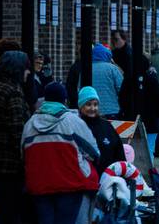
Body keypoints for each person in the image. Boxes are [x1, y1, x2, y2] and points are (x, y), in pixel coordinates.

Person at [23, 82, 101, 224]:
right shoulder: (72, 121)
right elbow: (94, 153)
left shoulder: (29, 124)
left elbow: (23, 155)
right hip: (69, 185)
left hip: (39, 186)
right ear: (64, 100)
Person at [0, 50, 31, 224]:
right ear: (17, 69)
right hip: (12, 165)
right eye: (26, 68)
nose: (28, 72)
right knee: (12, 210)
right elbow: (17, 130)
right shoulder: (13, 92)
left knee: (2, 207)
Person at [77, 86, 125, 170]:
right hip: (87, 177)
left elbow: (119, 151)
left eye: (95, 104)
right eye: (88, 104)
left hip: (110, 177)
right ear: (81, 107)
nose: (92, 108)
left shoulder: (106, 125)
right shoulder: (77, 126)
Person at [90, 43, 125, 117]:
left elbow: (80, 90)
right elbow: (122, 89)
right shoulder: (113, 69)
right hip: (112, 110)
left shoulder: (86, 69)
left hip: (91, 110)